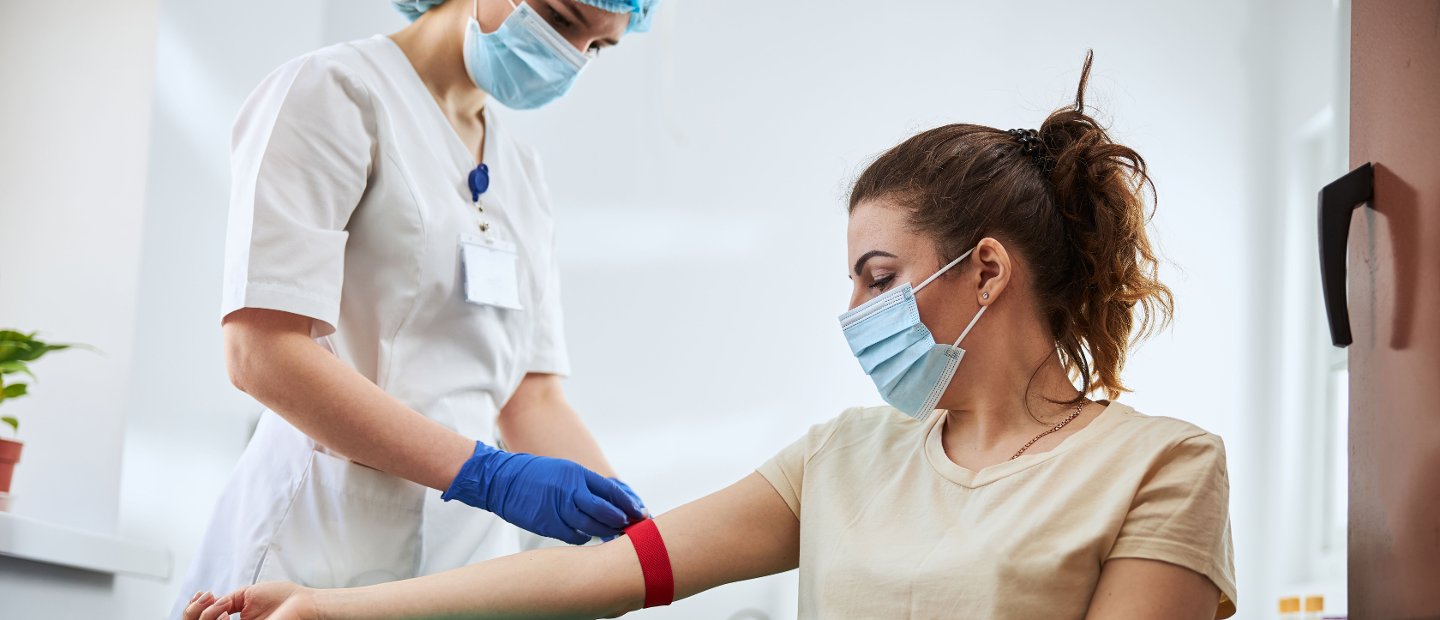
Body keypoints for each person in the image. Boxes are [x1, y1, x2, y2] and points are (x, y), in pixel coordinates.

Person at [183, 52, 1237, 620]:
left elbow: (533, 394)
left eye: (879, 277)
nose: (857, 314)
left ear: (989, 270)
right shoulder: (843, 455)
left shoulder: (1162, 466)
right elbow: (598, 574)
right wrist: (327, 608)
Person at [173, 0, 660, 615]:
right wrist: (487, 476)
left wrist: (641, 542)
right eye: (561, 21)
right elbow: (260, 352)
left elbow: (531, 396)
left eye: (599, 47)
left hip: (457, 569)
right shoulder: (338, 91)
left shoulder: (523, 172)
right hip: (314, 540)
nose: (570, 57)